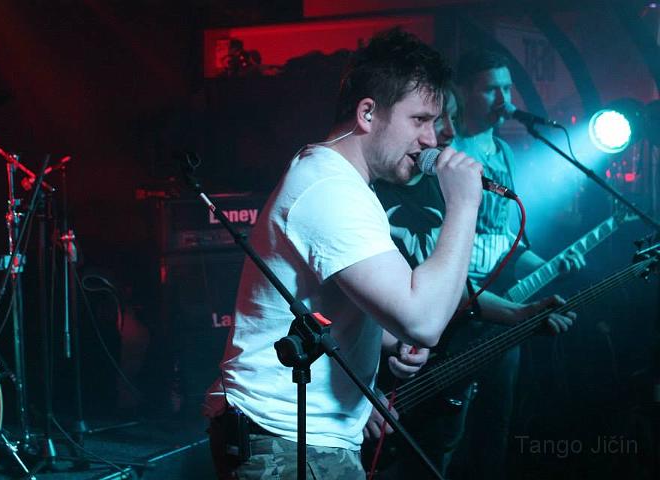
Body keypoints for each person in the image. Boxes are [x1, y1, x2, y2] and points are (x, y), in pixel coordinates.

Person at [203, 28, 485, 480]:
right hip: (287, 441)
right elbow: (425, 321)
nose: (432, 140)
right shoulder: (330, 190)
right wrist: (465, 205)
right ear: (367, 113)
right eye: (420, 120)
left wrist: (390, 341)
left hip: (300, 440)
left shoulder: (341, 182)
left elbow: (345, 307)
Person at [371, 50, 582, 479]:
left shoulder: (449, 182)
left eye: (446, 121)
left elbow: (456, 276)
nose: (443, 134)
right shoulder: (379, 191)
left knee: (471, 439)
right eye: (429, 121)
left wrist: (518, 313)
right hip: (396, 364)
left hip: (460, 326)